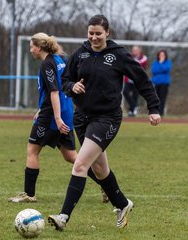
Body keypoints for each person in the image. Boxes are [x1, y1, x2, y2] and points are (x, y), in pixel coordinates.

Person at [48, 15, 161, 231]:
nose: (94, 37)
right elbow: (65, 80)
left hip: (107, 118)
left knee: (81, 164)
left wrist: (153, 107)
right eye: (91, 33)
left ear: (107, 33)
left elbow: (142, 80)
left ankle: (63, 217)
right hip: (82, 118)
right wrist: (72, 87)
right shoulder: (80, 54)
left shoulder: (119, 55)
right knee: (100, 171)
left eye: (98, 33)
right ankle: (123, 204)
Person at [8, 32, 106, 203]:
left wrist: (56, 118)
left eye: (32, 47)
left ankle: (29, 195)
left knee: (32, 151)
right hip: (66, 112)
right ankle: (106, 186)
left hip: (52, 117)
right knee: (71, 156)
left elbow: (54, 91)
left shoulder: (47, 64)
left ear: (39, 47)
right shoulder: (60, 59)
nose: (31, 50)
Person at [123, 45, 148, 117]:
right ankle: (134, 106)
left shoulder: (144, 58)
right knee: (125, 92)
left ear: (139, 51)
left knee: (135, 95)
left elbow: (139, 65)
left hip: (137, 80)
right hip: (128, 79)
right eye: (133, 50)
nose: (135, 52)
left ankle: (131, 111)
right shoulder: (129, 56)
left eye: (136, 50)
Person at [151, 49, 172, 116]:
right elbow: (154, 71)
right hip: (156, 83)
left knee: (162, 98)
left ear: (165, 56)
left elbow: (166, 69)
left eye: (163, 55)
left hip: (164, 83)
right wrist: (160, 68)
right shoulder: (155, 63)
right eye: (160, 55)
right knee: (156, 98)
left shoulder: (168, 62)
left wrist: (161, 64)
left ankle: (161, 113)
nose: (161, 56)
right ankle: (156, 112)